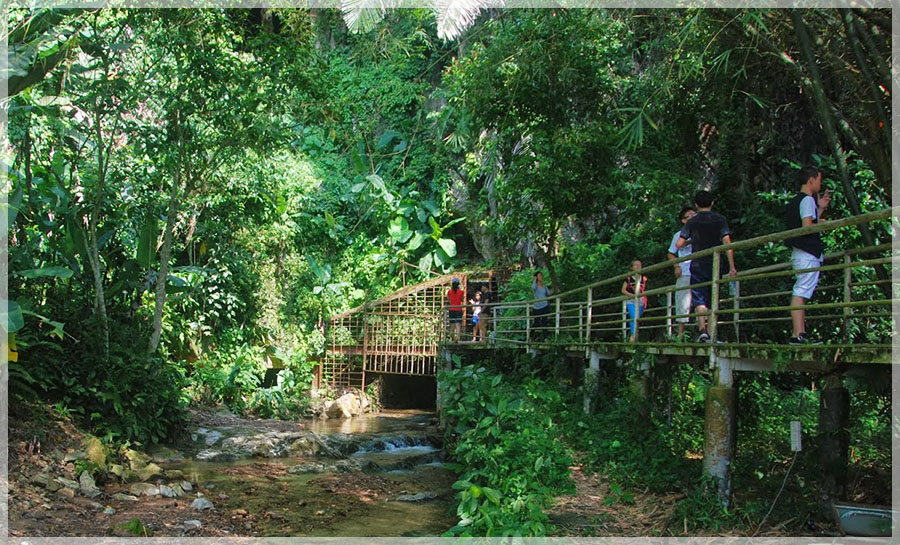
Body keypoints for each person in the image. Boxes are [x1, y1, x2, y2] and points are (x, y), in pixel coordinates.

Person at [676, 190, 737, 343]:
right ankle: (711, 333)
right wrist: (732, 267)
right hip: (715, 263)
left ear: (696, 205)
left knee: (699, 297)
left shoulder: (692, 222)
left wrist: (691, 241)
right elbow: (727, 243)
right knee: (713, 296)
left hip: (697, 262)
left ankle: (703, 331)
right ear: (712, 203)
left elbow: (679, 244)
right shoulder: (720, 219)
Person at [784, 166, 830, 345]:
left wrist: (820, 211)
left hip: (801, 253)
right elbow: (807, 226)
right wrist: (823, 223)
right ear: (811, 180)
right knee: (800, 290)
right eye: (819, 179)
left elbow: (808, 221)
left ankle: (800, 333)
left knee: (801, 291)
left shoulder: (800, 201)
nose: (820, 183)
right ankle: (797, 334)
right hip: (806, 253)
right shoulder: (807, 200)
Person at [667, 206, 696, 338]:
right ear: (683, 220)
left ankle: (705, 332)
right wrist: (676, 267)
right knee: (682, 302)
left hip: (701, 270)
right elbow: (671, 253)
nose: (693, 217)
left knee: (703, 302)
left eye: (695, 214)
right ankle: (680, 334)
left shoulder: (703, 232)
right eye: (690, 215)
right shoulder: (678, 235)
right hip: (685, 271)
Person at [621, 259, 649, 342]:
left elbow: (644, 290)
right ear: (631, 267)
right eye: (635, 265)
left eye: (639, 265)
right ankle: (633, 337)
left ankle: (634, 336)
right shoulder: (629, 278)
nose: (638, 266)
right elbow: (623, 290)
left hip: (640, 300)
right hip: (631, 300)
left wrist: (644, 300)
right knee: (634, 317)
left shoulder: (644, 278)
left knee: (637, 319)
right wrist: (632, 296)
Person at [532, 271, 552, 339]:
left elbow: (548, 293)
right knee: (536, 322)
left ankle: (545, 337)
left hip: (545, 305)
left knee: (545, 322)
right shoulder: (535, 285)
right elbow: (533, 288)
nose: (540, 277)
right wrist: (534, 280)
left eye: (541, 275)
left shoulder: (544, 286)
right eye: (539, 275)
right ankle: (531, 336)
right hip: (537, 306)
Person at [447, 278, 465, 342]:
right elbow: (462, 300)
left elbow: (449, 300)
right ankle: (457, 338)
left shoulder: (449, 292)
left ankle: (452, 338)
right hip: (458, 309)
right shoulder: (461, 292)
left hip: (451, 309)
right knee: (458, 325)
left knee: (452, 325)